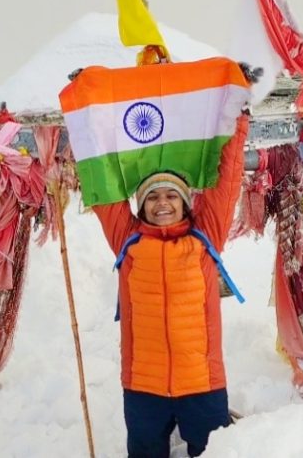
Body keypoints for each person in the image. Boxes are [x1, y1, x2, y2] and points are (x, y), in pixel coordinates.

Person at [93, 113, 249, 457]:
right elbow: (102, 186)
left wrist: (236, 122)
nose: (162, 203)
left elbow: (227, 182)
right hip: (143, 386)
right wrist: (87, 123)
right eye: (152, 197)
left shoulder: (205, 235)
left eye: (171, 196)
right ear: (141, 206)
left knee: (212, 453)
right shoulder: (128, 240)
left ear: (184, 203)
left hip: (202, 383)